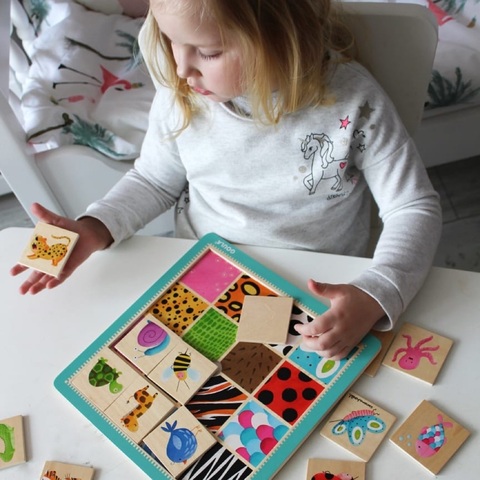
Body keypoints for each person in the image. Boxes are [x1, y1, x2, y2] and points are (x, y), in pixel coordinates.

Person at [10, 0, 442, 360]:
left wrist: (378, 292)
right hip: (205, 276)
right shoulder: (180, 93)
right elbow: (154, 181)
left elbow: (413, 206)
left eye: (208, 52)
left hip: (319, 289)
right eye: (170, 40)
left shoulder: (355, 101)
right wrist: (94, 227)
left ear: (282, 37)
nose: (180, 68)